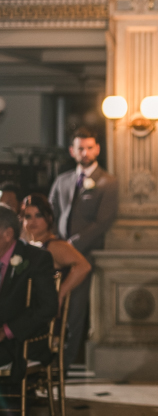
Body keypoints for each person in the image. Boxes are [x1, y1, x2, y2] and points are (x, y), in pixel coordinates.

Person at [49, 127, 118, 368]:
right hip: (56, 256)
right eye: (80, 148)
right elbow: (51, 213)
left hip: (84, 256)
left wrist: (71, 245)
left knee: (75, 312)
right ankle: (46, 359)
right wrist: (55, 243)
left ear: (97, 149)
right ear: (72, 151)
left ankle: (65, 365)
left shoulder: (108, 182)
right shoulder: (62, 180)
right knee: (49, 306)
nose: (85, 152)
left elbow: (102, 222)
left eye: (89, 147)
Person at [0, 204, 58, 383]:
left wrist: (6, 331)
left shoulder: (37, 259)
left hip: (22, 341)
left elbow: (48, 307)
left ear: (8, 234)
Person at [20, 194, 92, 312]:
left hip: (44, 314)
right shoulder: (26, 245)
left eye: (38, 215)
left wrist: (60, 293)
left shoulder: (55, 245)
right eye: (28, 216)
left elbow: (84, 266)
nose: (33, 221)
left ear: (49, 218)